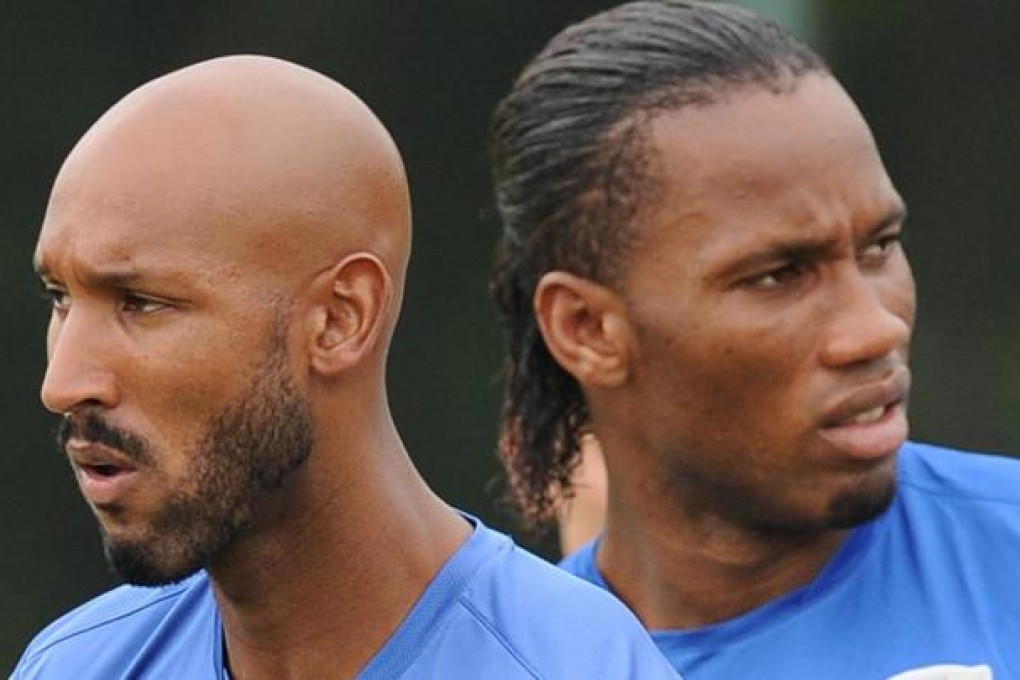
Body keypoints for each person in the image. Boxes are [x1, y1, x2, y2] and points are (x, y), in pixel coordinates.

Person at [14, 55, 679, 679]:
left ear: (340, 318)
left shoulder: (578, 665)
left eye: (142, 304)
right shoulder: (77, 664)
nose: (63, 383)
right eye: (60, 299)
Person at [489, 1, 1020, 678]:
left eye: (880, 246)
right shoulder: (513, 661)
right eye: (779, 275)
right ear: (586, 329)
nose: (874, 328)